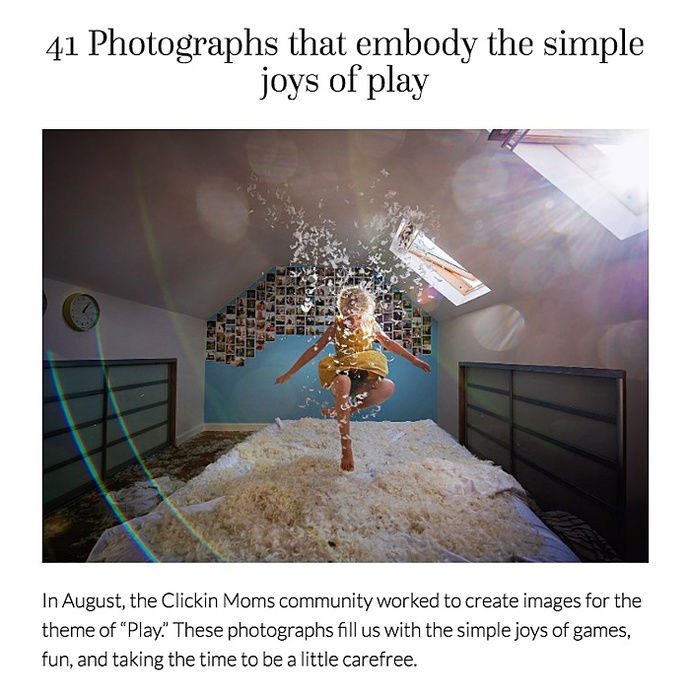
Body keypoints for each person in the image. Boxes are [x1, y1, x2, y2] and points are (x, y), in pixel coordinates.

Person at [275, 286, 431, 471]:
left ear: (364, 313)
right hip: (341, 374)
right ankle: (346, 448)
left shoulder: (370, 323)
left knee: (388, 386)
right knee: (344, 381)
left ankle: (346, 409)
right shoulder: (336, 325)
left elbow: (388, 343)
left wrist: (413, 359)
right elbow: (315, 348)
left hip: (364, 375)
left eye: (357, 317)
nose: (353, 322)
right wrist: (291, 372)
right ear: (342, 312)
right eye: (348, 317)